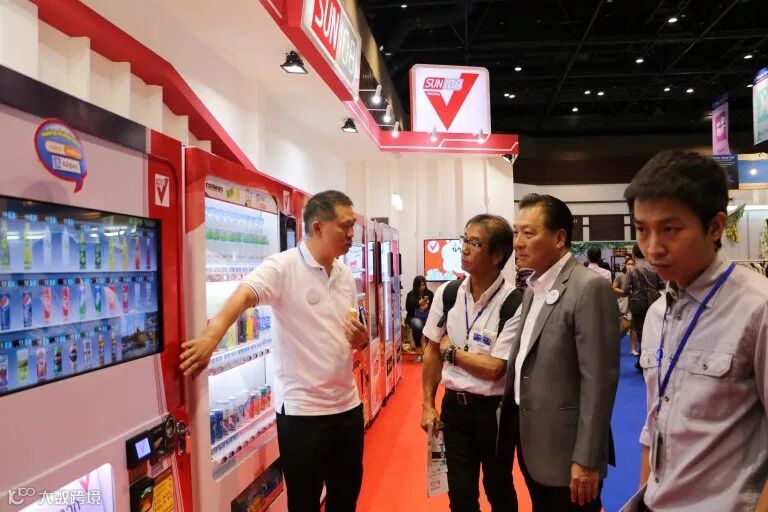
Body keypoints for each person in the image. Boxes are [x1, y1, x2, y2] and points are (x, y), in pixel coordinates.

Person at [179, 190, 369, 512]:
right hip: (302, 415)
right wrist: (210, 339)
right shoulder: (282, 267)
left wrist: (361, 340)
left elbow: (348, 334)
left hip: (347, 408)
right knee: (304, 504)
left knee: (345, 500)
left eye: (353, 226)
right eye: (345, 226)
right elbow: (244, 295)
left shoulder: (345, 273)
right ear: (318, 227)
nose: (352, 234)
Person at [624, 150, 768, 512]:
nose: (653, 248)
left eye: (670, 230)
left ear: (715, 227)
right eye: (642, 230)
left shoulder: (757, 309)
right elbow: (654, 425)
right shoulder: (657, 313)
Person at [499, 193, 620, 511]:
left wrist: (587, 458)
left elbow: (599, 382)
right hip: (533, 441)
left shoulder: (588, 288)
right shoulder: (532, 289)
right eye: (516, 232)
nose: (518, 242)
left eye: (529, 233)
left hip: (569, 452)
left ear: (559, 238)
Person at [421, 214, 522, 512]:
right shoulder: (448, 293)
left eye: (475, 243)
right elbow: (431, 350)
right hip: (454, 410)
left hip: (495, 414)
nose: (464, 248)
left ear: (497, 255)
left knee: (498, 488)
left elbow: (494, 369)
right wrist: (427, 404)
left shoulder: (514, 302)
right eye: (464, 240)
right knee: (461, 496)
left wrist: (451, 352)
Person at [623, 244, 663, 370]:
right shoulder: (655, 268)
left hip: (637, 303)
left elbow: (625, 290)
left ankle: (643, 360)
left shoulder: (631, 270)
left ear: (634, 255)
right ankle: (651, 360)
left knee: (640, 332)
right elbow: (662, 284)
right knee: (653, 331)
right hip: (654, 303)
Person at [405, 275, 434, 361]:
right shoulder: (410, 295)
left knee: (431, 327)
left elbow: (435, 306)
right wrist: (418, 303)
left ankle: (428, 351)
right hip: (414, 317)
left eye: (423, 285)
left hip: (428, 317)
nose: (422, 287)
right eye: (420, 285)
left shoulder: (430, 293)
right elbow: (408, 308)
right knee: (418, 325)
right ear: (416, 286)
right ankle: (419, 347)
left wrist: (427, 306)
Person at [613, 258, 638, 355]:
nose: (630, 265)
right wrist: (624, 292)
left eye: (632, 264)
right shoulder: (620, 275)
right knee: (624, 326)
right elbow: (614, 287)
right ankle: (614, 345)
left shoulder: (637, 275)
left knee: (634, 326)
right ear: (625, 265)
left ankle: (633, 349)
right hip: (624, 303)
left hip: (635, 303)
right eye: (628, 264)